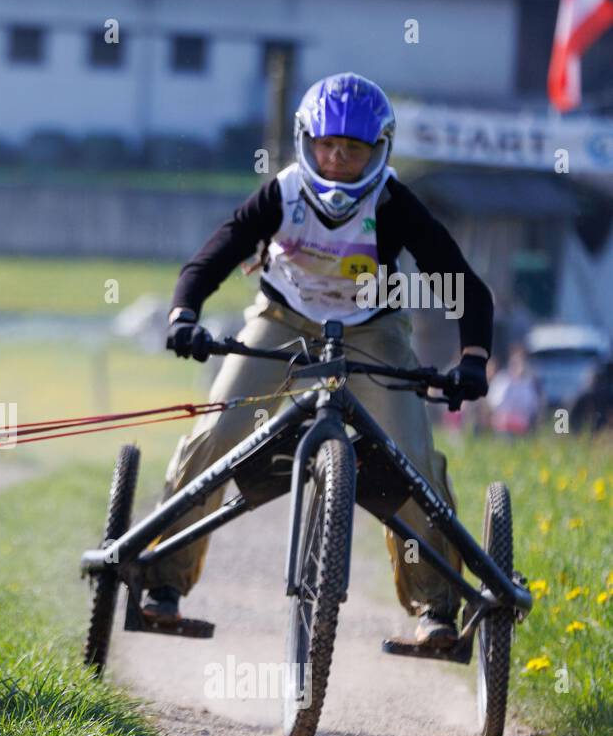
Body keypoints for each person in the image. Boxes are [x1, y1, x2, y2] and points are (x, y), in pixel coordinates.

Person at [146, 72, 493, 649]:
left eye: (353, 150)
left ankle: (435, 608)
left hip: (374, 331)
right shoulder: (281, 193)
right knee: (217, 435)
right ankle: (164, 584)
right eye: (328, 145)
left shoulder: (394, 204)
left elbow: (466, 288)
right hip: (282, 323)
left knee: (413, 462)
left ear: (377, 151)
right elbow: (209, 258)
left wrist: (473, 359)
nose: (336, 160)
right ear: (307, 141)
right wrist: (184, 315)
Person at [485, 344, 541, 435]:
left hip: (522, 424)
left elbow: (531, 405)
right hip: (503, 423)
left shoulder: (527, 383)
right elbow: (494, 402)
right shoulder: (502, 380)